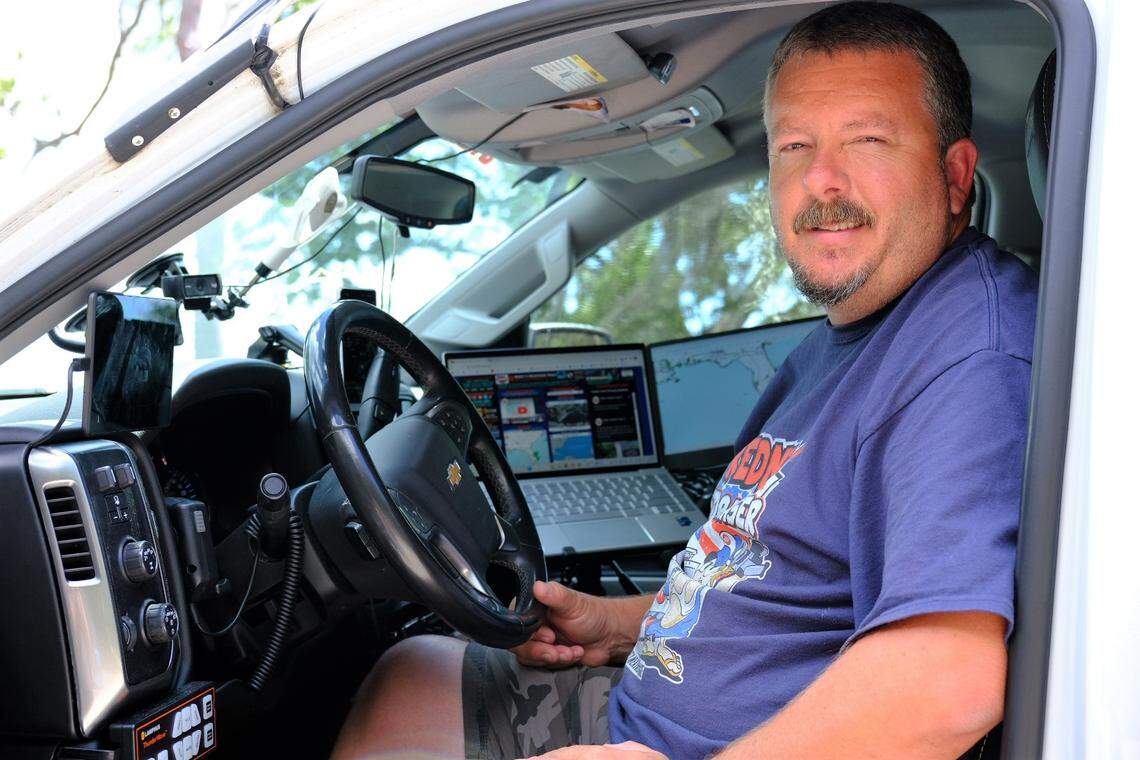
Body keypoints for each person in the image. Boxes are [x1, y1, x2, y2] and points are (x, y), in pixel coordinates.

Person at [332, 2, 1037, 758]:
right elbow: (758, 580)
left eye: (867, 140)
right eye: (795, 145)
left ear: (956, 176)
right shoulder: (846, 338)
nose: (822, 180)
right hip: (641, 708)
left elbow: (947, 679)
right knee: (411, 671)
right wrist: (615, 625)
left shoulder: (969, 354)